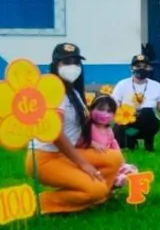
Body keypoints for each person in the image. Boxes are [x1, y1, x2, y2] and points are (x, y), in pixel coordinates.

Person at [24, 43, 123, 214]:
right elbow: (56, 134)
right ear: (55, 65)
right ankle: (37, 204)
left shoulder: (73, 92)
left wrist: (90, 143)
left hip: (64, 154)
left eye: (76, 62)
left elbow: (74, 129)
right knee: (96, 189)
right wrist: (83, 164)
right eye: (67, 62)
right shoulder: (53, 91)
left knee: (114, 158)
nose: (73, 67)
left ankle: (96, 197)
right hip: (45, 159)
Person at [111, 54, 160, 151]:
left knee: (147, 111)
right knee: (121, 144)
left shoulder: (156, 85)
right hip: (128, 121)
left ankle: (149, 142)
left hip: (150, 121)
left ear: (150, 68)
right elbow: (115, 106)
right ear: (131, 68)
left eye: (145, 66)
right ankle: (131, 141)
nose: (141, 69)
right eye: (138, 66)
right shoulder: (122, 85)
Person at [79, 95, 139, 189]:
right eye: (101, 109)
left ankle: (112, 184)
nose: (105, 114)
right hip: (93, 160)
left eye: (109, 111)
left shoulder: (108, 129)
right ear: (91, 109)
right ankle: (109, 183)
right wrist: (92, 144)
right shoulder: (89, 127)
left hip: (108, 158)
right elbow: (80, 140)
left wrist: (119, 158)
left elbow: (113, 143)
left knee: (125, 169)